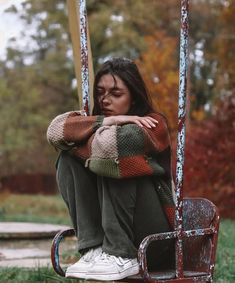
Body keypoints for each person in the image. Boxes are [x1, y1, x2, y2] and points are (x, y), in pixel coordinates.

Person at [47, 57, 175, 281]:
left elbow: (111, 148)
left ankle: (121, 254)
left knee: (114, 162)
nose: (105, 100)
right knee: (67, 160)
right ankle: (93, 249)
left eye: (116, 94)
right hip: (109, 239)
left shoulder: (153, 124)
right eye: (100, 92)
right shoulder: (97, 122)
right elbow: (55, 132)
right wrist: (106, 122)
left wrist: (79, 136)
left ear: (133, 97)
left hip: (154, 240)